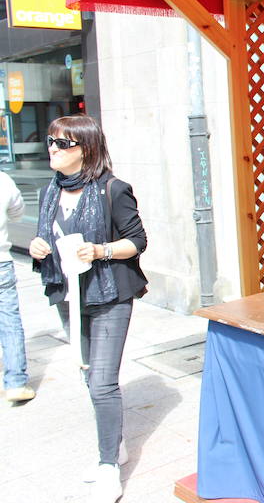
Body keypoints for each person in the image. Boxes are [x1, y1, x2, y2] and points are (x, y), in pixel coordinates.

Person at [28, 114, 147, 503]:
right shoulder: (51, 191)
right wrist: (38, 246)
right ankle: (117, 443)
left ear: (86, 149)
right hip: (69, 295)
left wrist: (101, 251)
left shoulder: (113, 189)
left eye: (62, 144)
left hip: (110, 295)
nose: (52, 149)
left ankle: (108, 466)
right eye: (50, 141)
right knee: (87, 373)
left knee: (101, 382)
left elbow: (137, 241)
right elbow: (48, 235)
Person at [0, 170, 33, 403]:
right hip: (1, 263)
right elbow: (18, 212)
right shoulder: (3, 180)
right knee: (9, 320)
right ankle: (16, 383)